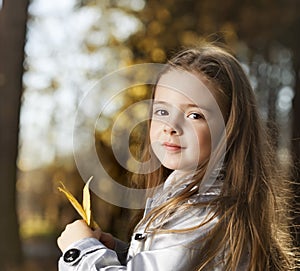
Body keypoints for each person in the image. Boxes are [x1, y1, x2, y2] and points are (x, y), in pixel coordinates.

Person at [57, 42, 297, 270]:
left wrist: (80, 251)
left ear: (230, 127)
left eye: (194, 115)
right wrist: (120, 252)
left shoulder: (203, 214)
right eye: (162, 111)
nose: (170, 126)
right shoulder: (187, 200)